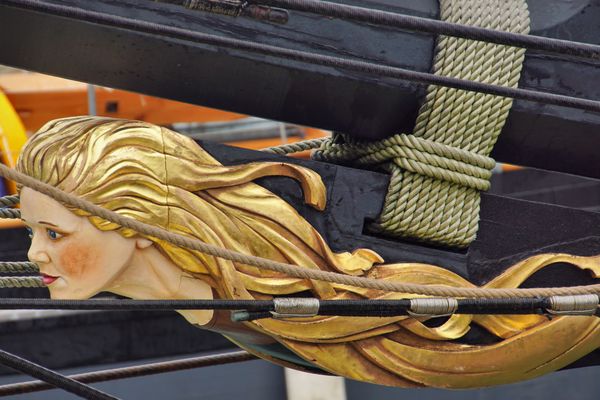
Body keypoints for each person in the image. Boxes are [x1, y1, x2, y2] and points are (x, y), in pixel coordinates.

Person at [16, 116, 600, 388]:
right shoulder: (223, 292)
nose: (34, 254)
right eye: (32, 231)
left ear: (140, 223)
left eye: (56, 234)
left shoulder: (259, 281)